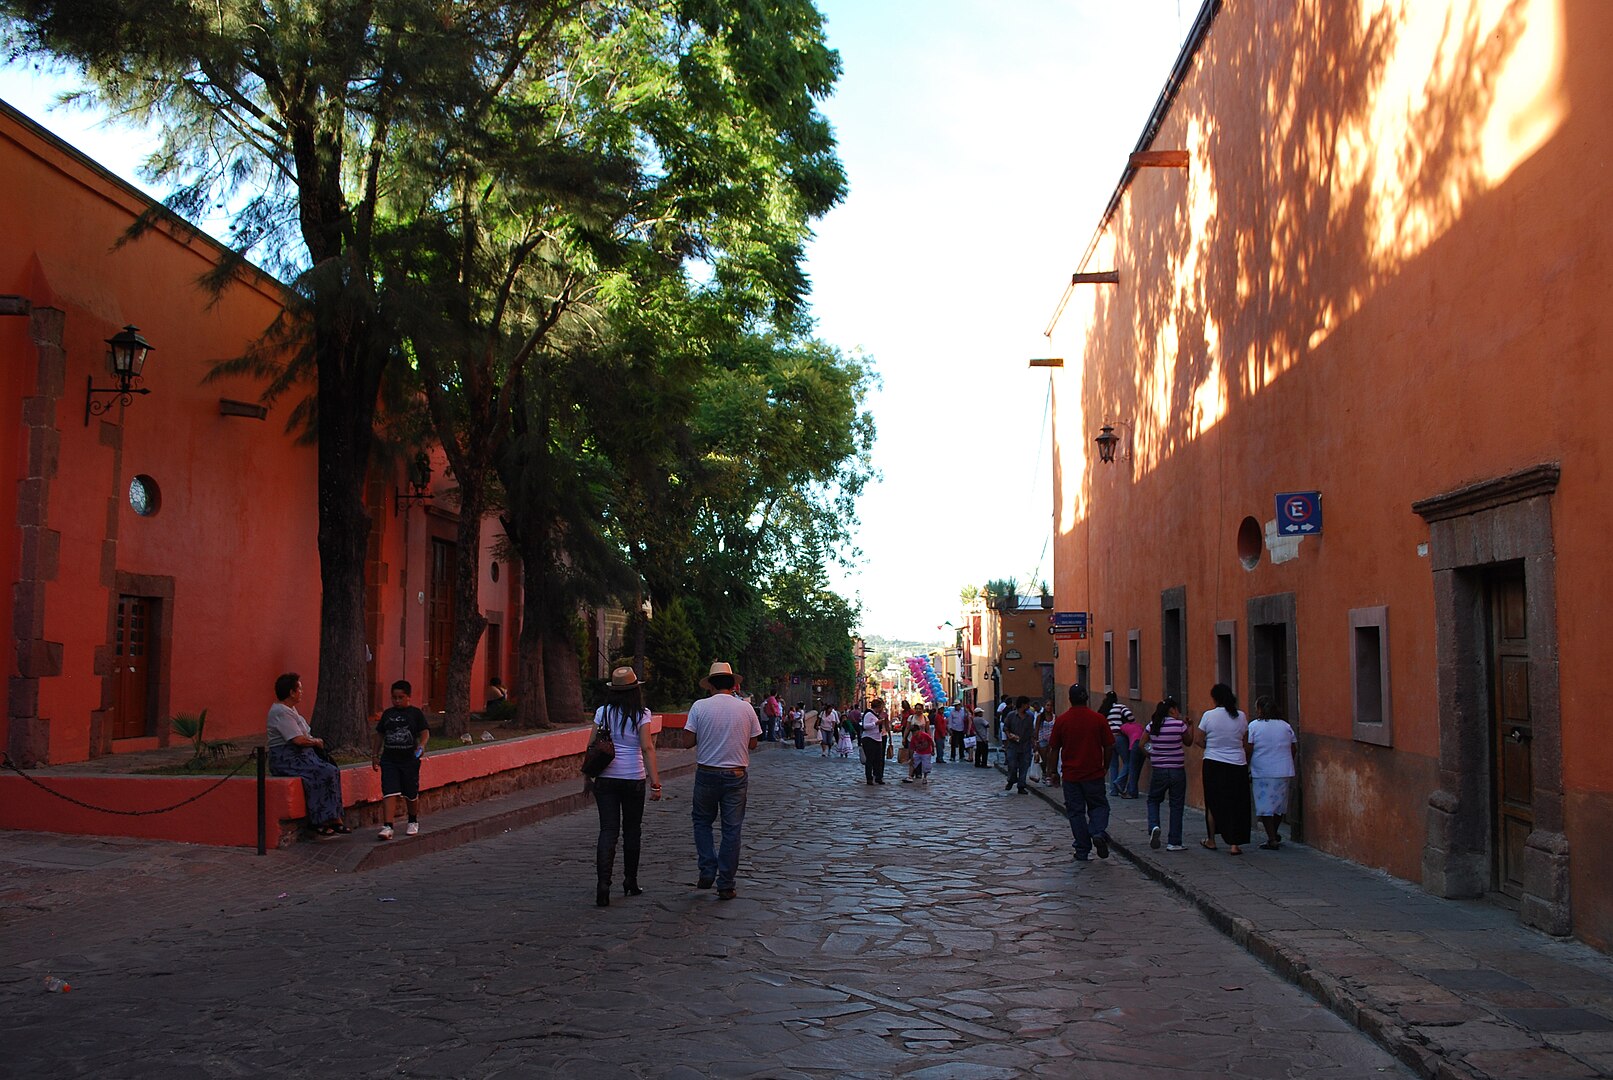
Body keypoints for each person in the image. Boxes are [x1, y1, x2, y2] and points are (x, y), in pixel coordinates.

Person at [684, 661, 760, 900]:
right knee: (732, 829)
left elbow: (687, 741)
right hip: (736, 775)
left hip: (706, 773)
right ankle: (726, 883)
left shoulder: (699, 707)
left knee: (702, 822)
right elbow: (754, 742)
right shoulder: (745, 708)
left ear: (710, 686)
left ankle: (707, 868)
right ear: (734, 685)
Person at [592, 665, 662, 906]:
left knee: (607, 830)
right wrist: (655, 782)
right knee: (632, 830)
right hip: (633, 777)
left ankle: (603, 884)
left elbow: (591, 745)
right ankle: (630, 880)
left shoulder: (602, 712)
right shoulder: (642, 714)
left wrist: (586, 777)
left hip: (606, 778)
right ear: (635, 690)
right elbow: (647, 748)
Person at [266, 673, 350, 839]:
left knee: (331, 770)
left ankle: (334, 817)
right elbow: (297, 739)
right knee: (321, 773)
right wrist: (316, 742)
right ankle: (320, 820)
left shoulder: (291, 710)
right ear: (292, 692)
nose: (302, 692)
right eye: (300, 689)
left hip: (300, 755)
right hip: (287, 757)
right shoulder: (280, 712)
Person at [1048, 684, 1115, 863]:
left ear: (1070, 699)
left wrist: (1052, 771)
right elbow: (1109, 745)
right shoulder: (1098, 719)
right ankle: (1098, 832)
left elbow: (1054, 748)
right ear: (1087, 698)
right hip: (1094, 773)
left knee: (1076, 812)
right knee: (1099, 806)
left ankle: (1082, 849)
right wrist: (1105, 765)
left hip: (1071, 776)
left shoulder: (1062, 720)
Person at [371, 679, 430, 840]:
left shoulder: (415, 714)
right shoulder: (388, 714)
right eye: (394, 697)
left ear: (408, 697)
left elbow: (424, 732)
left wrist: (422, 746)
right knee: (389, 791)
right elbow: (380, 735)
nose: (397, 701)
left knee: (410, 793)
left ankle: (412, 820)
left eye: (400, 697)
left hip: (409, 759)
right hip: (389, 758)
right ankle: (388, 825)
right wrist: (375, 754)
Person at [1198, 683, 1252, 856]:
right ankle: (1235, 844)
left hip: (1213, 762)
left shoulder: (1208, 715)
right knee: (1237, 802)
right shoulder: (1241, 716)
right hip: (1237, 763)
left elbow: (1199, 739)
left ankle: (1211, 840)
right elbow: (1245, 741)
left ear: (1215, 698)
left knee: (1213, 801)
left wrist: (1212, 746)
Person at [1247, 696, 1298, 850]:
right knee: (1279, 805)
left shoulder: (1254, 726)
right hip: (1283, 770)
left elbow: (1249, 747)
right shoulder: (1285, 726)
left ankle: (1271, 838)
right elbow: (1293, 747)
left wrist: (1247, 764)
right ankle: (1274, 834)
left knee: (1264, 806)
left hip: (1263, 770)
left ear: (1260, 709)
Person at [1141, 697, 1192, 851]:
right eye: (1177, 709)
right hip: (1177, 770)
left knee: (1153, 800)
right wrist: (1190, 726)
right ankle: (1174, 842)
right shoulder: (1179, 725)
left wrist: (1151, 754)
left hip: (1159, 770)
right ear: (1172, 710)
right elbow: (1188, 742)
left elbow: (1141, 744)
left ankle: (1154, 826)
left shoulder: (1153, 725)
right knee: (1176, 805)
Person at [1100, 691, 1135, 796]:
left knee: (1113, 765)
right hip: (1119, 737)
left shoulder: (1104, 709)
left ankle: (1113, 790)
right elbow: (1130, 717)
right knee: (1127, 762)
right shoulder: (1120, 707)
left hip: (1108, 739)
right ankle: (1119, 782)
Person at [1002, 696, 1037, 794]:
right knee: (1012, 765)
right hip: (1013, 745)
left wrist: (1034, 742)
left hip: (1025, 745)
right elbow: (1005, 728)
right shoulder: (1011, 715)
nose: (1028, 706)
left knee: (1024, 766)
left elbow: (1031, 731)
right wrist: (1009, 736)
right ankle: (1011, 779)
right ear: (1022, 705)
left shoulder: (1030, 717)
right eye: (1027, 704)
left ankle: (1021, 786)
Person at [1119, 710, 1147, 799]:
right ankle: (1132, 790)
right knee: (1137, 769)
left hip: (1134, 745)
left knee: (1132, 769)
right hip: (1143, 745)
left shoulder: (1123, 727)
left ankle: (1131, 792)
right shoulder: (1138, 725)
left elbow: (1122, 736)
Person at [860, 700, 888, 785]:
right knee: (870, 759)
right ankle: (869, 778)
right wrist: (875, 723)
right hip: (869, 738)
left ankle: (878, 777)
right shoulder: (869, 714)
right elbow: (865, 726)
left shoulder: (877, 715)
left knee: (878, 759)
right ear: (878, 707)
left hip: (878, 738)